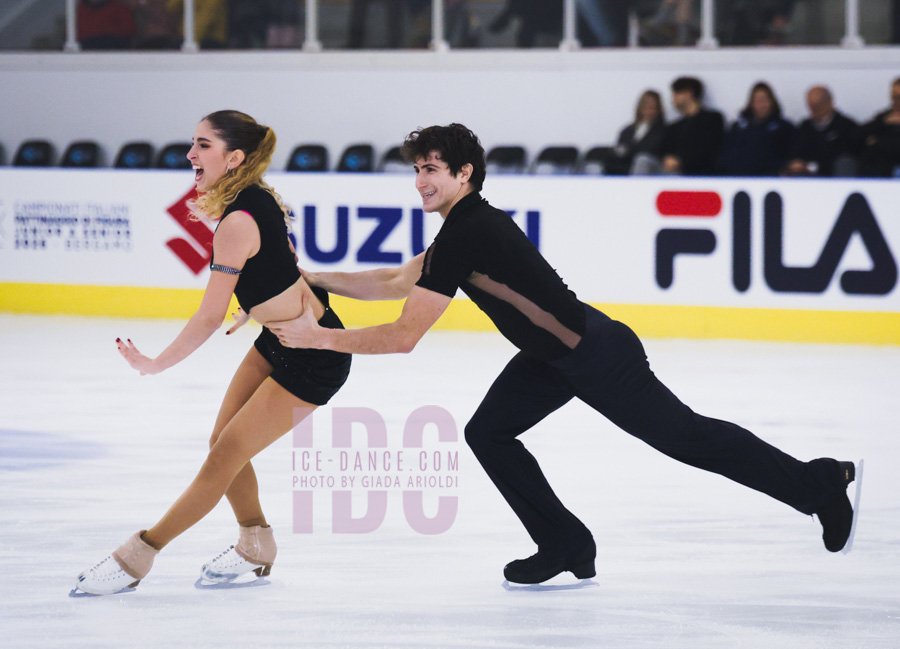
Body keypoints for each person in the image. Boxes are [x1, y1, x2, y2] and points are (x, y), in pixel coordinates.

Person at [269, 122, 860, 585]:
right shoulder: (461, 228)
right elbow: (399, 281)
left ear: (465, 173)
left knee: (690, 439)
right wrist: (317, 280)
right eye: (417, 170)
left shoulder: (469, 229)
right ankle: (565, 543)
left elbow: (402, 335)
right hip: (551, 358)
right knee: (489, 434)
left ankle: (820, 486)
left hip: (596, 357)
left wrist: (319, 337)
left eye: (432, 169)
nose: (421, 180)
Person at [72, 111, 352, 595]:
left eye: (202, 145)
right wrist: (257, 306)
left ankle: (138, 555)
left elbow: (207, 317)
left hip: (314, 355)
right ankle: (255, 541)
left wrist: (154, 363)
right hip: (281, 339)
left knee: (221, 459)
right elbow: (285, 265)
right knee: (221, 443)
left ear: (234, 157)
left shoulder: (237, 220)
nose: (190, 155)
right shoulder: (256, 199)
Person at [717, 81, 794, 177]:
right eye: (757, 100)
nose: (761, 104)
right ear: (752, 103)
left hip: (770, 179)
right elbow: (726, 154)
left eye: (765, 100)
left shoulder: (784, 128)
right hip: (738, 179)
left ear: (772, 102)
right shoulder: (737, 128)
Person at [784, 86, 859, 178]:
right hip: (805, 180)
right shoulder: (805, 126)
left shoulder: (846, 126)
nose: (814, 110)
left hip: (834, 180)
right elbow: (796, 151)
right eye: (811, 106)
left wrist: (812, 166)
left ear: (829, 102)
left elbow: (845, 158)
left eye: (818, 105)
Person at [659, 76, 725, 176]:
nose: (673, 98)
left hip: (702, 173)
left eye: (676, 93)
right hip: (673, 174)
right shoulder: (674, 127)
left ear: (688, 93)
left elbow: (710, 147)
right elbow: (664, 150)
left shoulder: (712, 119)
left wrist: (680, 161)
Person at [599, 89, 666, 175]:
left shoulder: (664, 130)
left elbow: (653, 151)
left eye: (652, 107)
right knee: (595, 166)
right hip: (626, 166)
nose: (648, 110)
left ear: (658, 109)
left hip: (651, 167)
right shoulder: (627, 130)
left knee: (642, 160)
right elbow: (620, 150)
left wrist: (630, 151)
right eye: (645, 106)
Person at [857, 77, 900, 178]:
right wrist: (883, 122)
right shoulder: (883, 118)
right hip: (880, 167)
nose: (896, 101)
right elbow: (858, 136)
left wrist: (877, 142)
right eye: (894, 97)